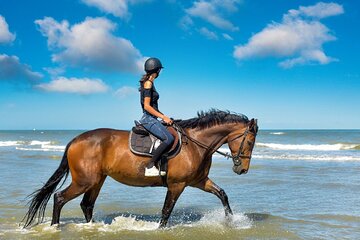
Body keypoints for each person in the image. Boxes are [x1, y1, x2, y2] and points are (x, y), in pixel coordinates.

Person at [138, 57, 174, 177]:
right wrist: (163, 117)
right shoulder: (148, 83)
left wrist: (165, 117)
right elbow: (147, 107)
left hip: (152, 118)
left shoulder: (149, 83)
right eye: (159, 70)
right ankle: (150, 165)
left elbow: (153, 107)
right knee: (168, 139)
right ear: (156, 70)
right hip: (148, 118)